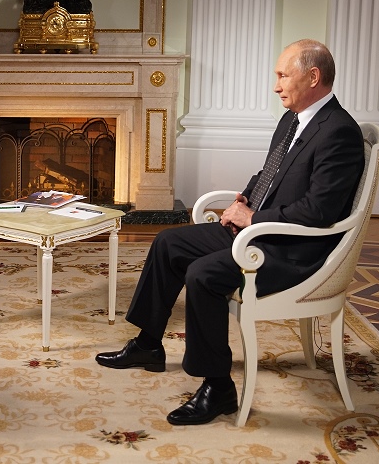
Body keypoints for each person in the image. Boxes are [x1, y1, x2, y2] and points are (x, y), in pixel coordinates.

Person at [96, 39, 364, 426]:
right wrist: (245, 201)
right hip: (263, 232)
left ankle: (218, 387)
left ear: (313, 76)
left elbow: (318, 211)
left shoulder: (339, 132)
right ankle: (148, 345)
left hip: (293, 251)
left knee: (203, 275)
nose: (276, 86)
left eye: (283, 76)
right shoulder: (293, 118)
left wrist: (253, 218)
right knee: (169, 242)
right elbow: (270, 172)